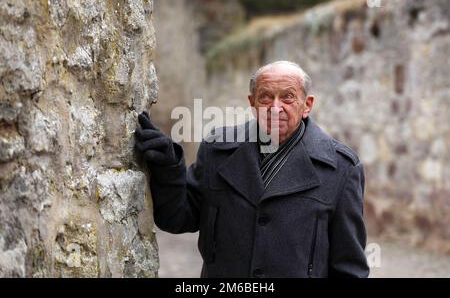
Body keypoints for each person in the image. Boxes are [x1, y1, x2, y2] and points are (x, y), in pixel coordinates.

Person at [134, 61, 369, 278]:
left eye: (287, 97)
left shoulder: (341, 168)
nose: (275, 108)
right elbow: (177, 218)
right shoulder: (217, 151)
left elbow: (349, 268)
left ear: (307, 105)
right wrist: (168, 167)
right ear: (252, 103)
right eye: (265, 97)